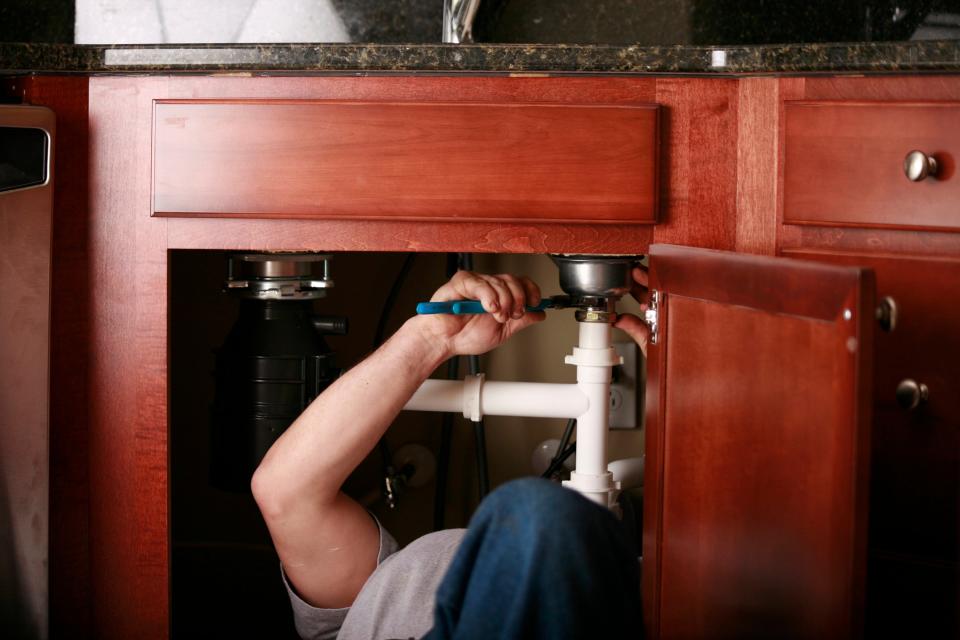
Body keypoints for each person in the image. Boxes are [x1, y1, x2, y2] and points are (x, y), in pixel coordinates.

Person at [252, 267, 650, 640]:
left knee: (538, 514)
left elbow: (288, 493)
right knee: (538, 512)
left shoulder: (366, 613)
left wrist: (431, 338)